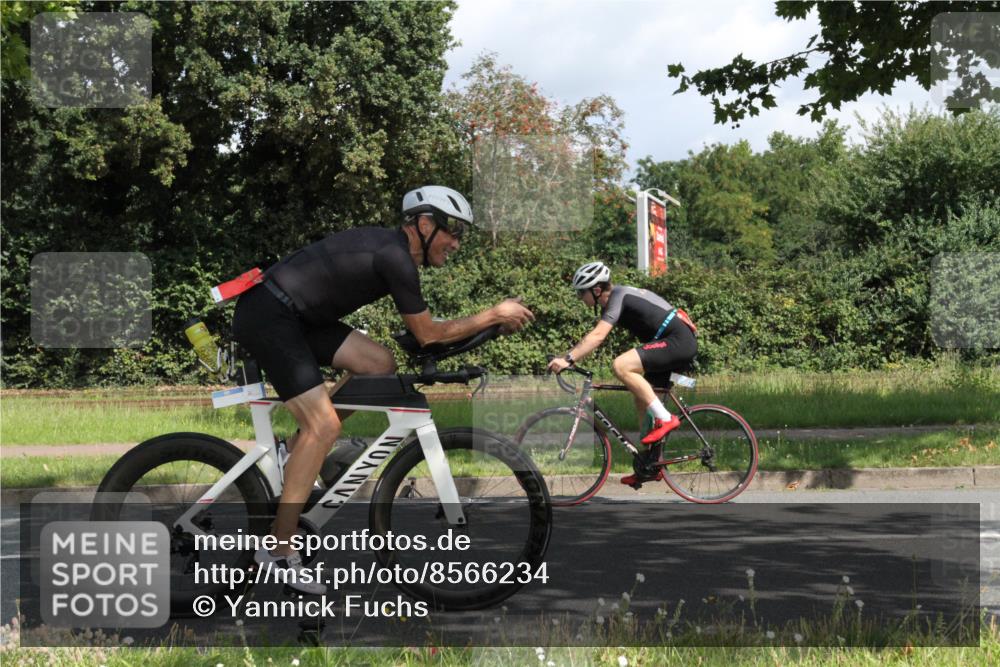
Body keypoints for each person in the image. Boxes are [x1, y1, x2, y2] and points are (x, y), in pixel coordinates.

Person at [231, 186, 534, 593]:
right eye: (453, 231)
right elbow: (428, 335)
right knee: (324, 427)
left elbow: (426, 336)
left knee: (377, 364)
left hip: (295, 315)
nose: (456, 243)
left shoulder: (396, 253)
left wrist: (489, 325)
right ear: (424, 224)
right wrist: (493, 314)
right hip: (270, 314)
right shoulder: (395, 256)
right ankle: (279, 551)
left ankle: (294, 450)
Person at [546, 261, 697, 486]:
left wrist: (568, 359)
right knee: (642, 399)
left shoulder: (618, 296)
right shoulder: (616, 299)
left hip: (678, 341)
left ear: (597, 290)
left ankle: (666, 418)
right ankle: (650, 464)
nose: (580, 298)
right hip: (672, 341)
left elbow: (597, 336)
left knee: (620, 365)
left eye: (581, 293)